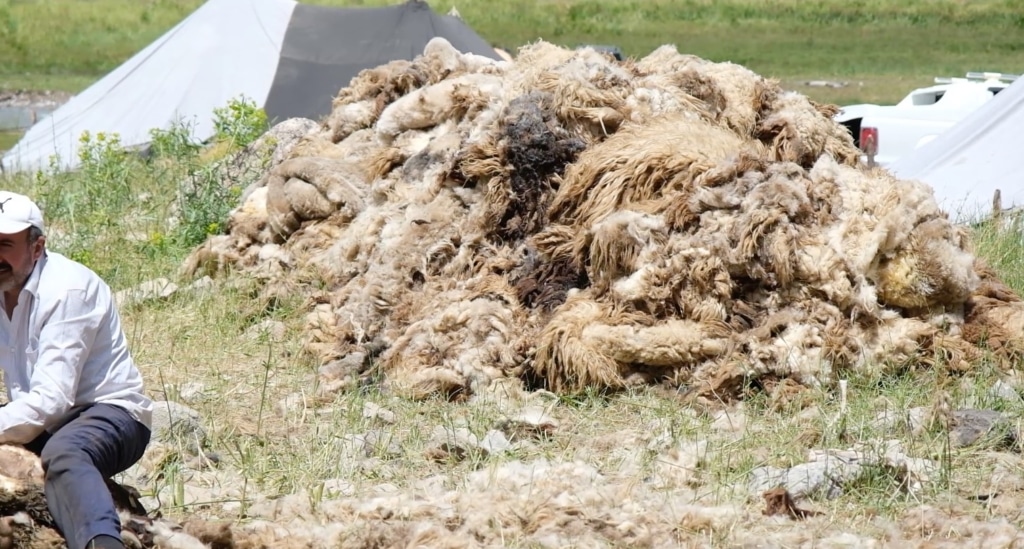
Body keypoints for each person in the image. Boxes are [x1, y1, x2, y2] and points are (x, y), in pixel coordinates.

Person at [0, 190, 153, 549]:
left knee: (66, 452)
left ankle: (102, 543)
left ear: (37, 248)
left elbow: (52, 399)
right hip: (45, 420)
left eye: (5, 244)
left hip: (110, 413)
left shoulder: (67, 289)